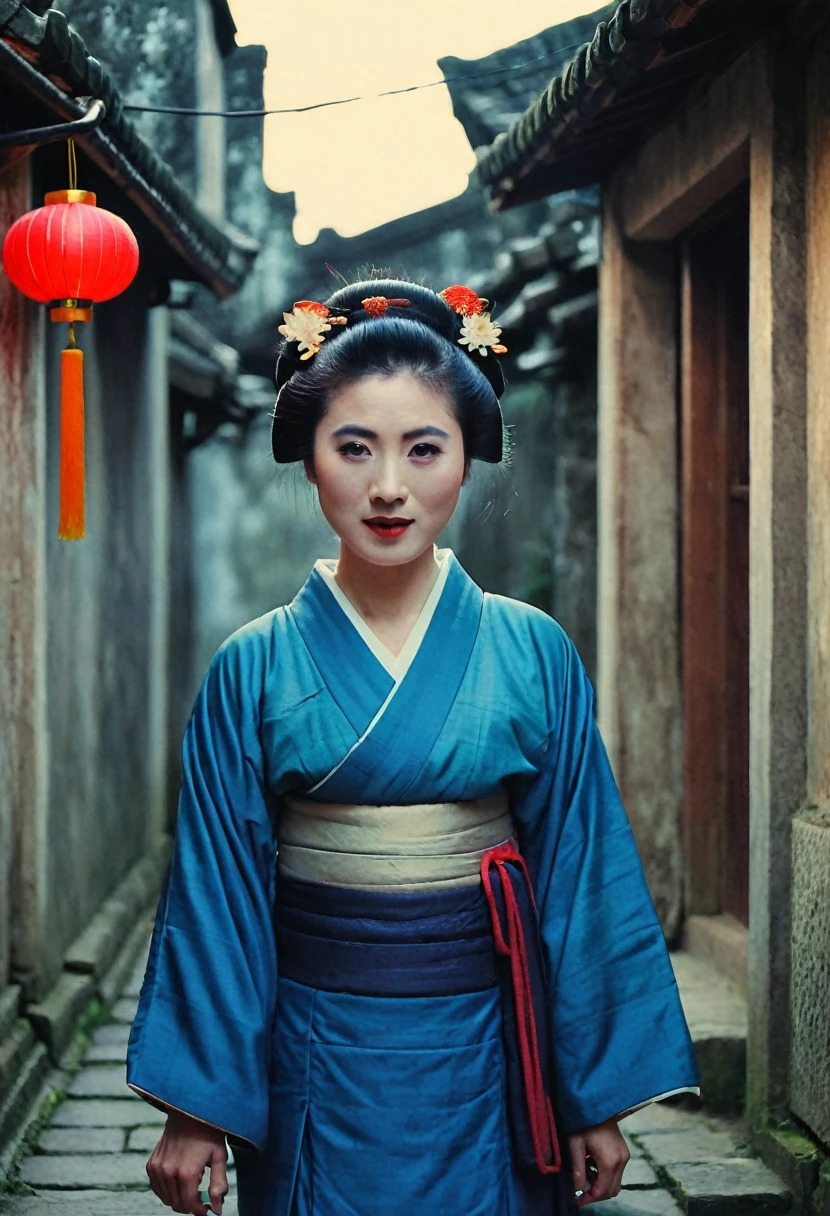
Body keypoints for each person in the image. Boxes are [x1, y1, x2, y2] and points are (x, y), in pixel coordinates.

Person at [127, 279, 699, 1216]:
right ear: (307, 460)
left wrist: (594, 1097)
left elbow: (583, 876)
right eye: (353, 448)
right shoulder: (253, 667)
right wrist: (195, 1111)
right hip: (313, 1050)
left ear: (466, 461)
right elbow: (216, 896)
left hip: (490, 1048)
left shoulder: (532, 651)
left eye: (423, 449)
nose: (388, 485)